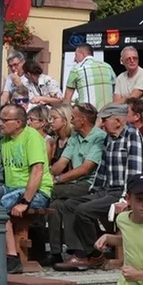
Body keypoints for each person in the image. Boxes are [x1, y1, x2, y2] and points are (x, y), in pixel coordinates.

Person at [54, 103, 143, 271]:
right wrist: (93, 192)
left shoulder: (132, 136)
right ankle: (81, 252)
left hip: (122, 192)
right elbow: (102, 171)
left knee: (84, 210)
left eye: (105, 120)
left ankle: (90, 255)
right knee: (70, 205)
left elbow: (135, 170)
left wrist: (127, 198)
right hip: (106, 189)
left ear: (118, 121)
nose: (102, 124)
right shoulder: (109, 138)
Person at [46, 103, 105, 266]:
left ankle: (79, 253)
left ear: (83, 119)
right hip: (75, 185)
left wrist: (57, 180)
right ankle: (56, 252)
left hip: (92, 185)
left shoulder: (99, 137)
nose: (71, 121)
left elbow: (85, 169)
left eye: (73, 117)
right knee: (56, 205)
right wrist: (49, 174)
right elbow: (62, 163)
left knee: (51, 192)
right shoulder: (74, 138)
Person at [0, 104, 54, 219]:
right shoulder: (4, 138)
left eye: (5, 120)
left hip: (36, 193)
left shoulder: (31, 136)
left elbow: (37, 171)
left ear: (18, 123)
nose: (0, 124)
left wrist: (25, 202)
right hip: (10, 189)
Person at [64, 43, 116, 109]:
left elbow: (67, 99)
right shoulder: (108, 67)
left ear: (83, 54)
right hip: (107, 113)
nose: (74, 59)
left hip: (86, 115)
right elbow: (116, 92)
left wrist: (66, 117)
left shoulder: (76, 69)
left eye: (76, 55)